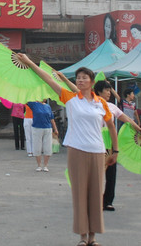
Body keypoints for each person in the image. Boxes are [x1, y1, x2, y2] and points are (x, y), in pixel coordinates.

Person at [17, 55, 117, 246]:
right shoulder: (70, 98)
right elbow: (47, 78)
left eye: (84, 78)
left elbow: (111, 126)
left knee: (96, 194)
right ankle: (82, 237)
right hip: (77, 151)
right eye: (78, 78)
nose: (80, 80)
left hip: (97, 151)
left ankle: (93, 237)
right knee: (79, 194)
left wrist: (116, 151)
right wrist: (30, 63)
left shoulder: (101, 103)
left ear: (92, 82)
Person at [93, 80, 141, 211]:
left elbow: (126, 119)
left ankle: (108, 201)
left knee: (111, 174)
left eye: (110, 90)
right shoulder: (90, 105)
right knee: (96, 174)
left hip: (109, 144)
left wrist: (139, 129)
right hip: (94, 144)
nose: (109, 93)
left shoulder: (112, 107)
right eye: (106, 90)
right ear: (99, 91)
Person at [27, 99, 58, 171]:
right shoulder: (34, 104)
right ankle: (39, 165)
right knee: (37, 146)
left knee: (47, 147)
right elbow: (26, 100)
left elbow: (51, 118)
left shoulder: (48, 106)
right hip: (37, 128)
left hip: (47, 128)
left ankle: (45, 165)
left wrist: (55, 129)